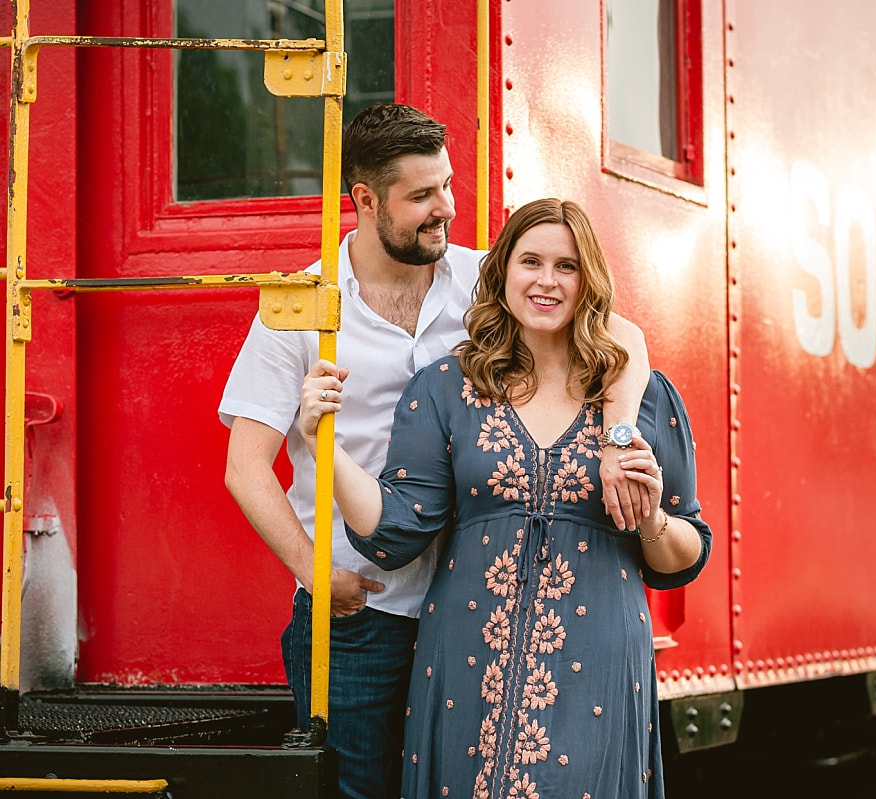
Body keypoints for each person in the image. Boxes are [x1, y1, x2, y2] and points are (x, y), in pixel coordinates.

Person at [219, 105, 651, 799]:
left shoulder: (487, 279)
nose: (445, 208)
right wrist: (314, 573)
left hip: (478, 607)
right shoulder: (299, 307)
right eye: (422, 195)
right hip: (363, 613)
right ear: (364, 199)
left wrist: (618, 434)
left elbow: (620, 332)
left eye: (446, 186)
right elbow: (245, 466)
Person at [298, 198, 711, 799]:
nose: (547, 281)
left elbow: (684, 556)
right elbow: (393, 532)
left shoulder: (641, 398)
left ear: (588, 281)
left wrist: (649, 514)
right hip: (467, 660)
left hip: (596, 663)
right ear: (502, 273)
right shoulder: (445, 388)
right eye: (531, 262)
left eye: (566, 266)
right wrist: (322, 446)